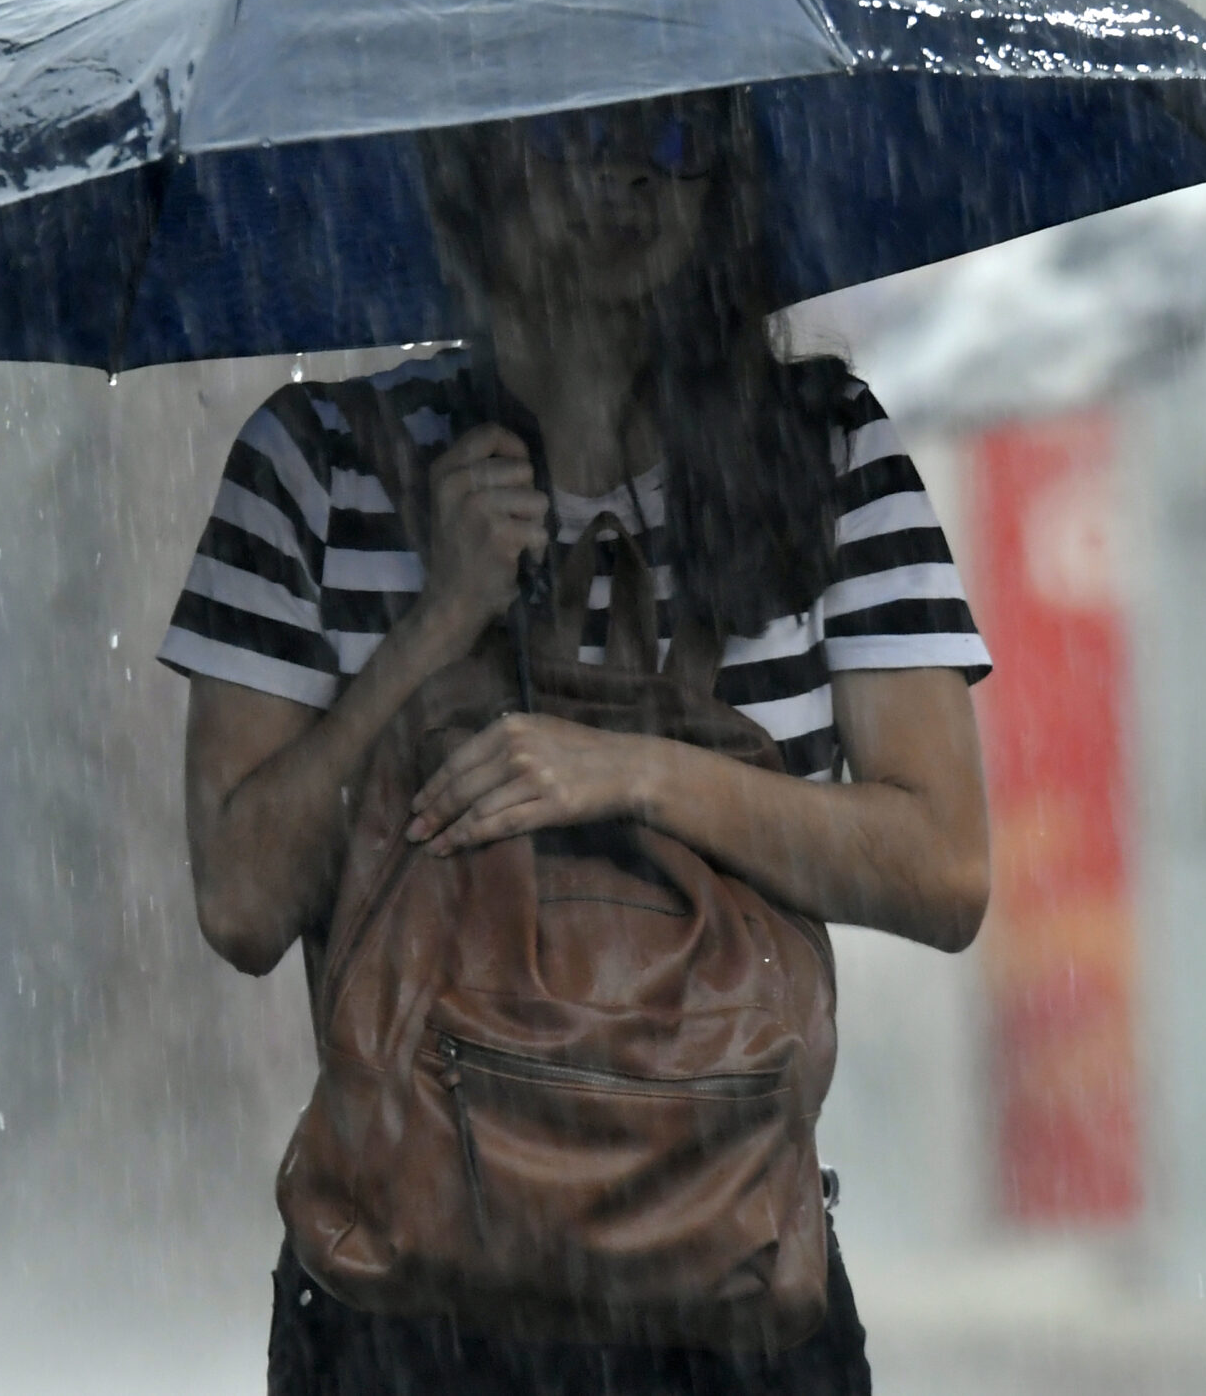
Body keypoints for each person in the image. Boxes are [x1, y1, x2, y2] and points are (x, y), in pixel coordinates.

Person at [159, 92, 994, 1394]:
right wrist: (437, 629)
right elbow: (241, 897)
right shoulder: (314, 465)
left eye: (670, 138)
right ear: (479, 165)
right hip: (410, 1313)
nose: (624, 177)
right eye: (571, 136)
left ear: (724, 173)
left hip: (726, 1305)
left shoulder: (828, 455)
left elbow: (943, 867)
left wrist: (639, 770)